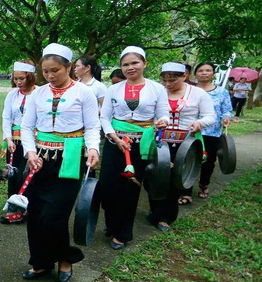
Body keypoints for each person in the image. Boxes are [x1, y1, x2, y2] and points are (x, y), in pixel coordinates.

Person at [20, 43, 100, 282]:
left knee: (55, 215)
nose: (50, 76)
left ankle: (65, 258)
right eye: (45, 71)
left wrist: (93, 148)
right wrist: (30, 152)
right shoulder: (38, 94)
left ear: (69, 67)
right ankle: (41, 263)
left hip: (71, 157)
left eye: (55, 70)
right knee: (35, 214)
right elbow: (26, 126)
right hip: (41, 159)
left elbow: (92, 126)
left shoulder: (84, 93)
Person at [99, 46, 170, 250]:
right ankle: (111, 223)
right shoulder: (113, 89)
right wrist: (114, 137)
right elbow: (105, 117)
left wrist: (162, 121)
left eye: (135, 63)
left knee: (130, 188)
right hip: (115, 143)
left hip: (141, 144)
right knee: (107, 186)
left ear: (144, 64)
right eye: (125, 64)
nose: (130, 67)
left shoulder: (157, 88)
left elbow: (163, 113)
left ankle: (123, 233)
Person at [146, 62, 215, 231]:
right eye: (164, 80)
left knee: (176, 180)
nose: (168, 84)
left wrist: (199, 122)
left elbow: (211, 116)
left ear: (184, 76)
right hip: (160, 141)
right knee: (154, 178)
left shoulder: (198, 94)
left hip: (185, 144)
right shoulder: (158, 92)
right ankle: (155, 210)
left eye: (172, 80)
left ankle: (165, 217)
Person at [179, 62, 232, 202]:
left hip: (211, 132)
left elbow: (227, 109)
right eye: (201, 70)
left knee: (208, 161)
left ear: (213, 74)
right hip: (189, 131)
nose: (204, 73)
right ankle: (186, 192)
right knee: (186, 159)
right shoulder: (187, 90)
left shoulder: (222, 92)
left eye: (208, 70)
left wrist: (227, 117)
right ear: (195, 74)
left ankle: (204, 184)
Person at [0, 60, 37, 225]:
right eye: (15, 78)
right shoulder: (12, 95)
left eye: (22, 78)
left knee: (27, 174)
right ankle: (13, 208)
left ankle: (27, 207)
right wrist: (8, 139)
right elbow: (6, 117)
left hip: (34, 142)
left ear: (30, 77)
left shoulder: (40, 93)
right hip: (14, 142)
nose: (18, 82)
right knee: (13, 175)